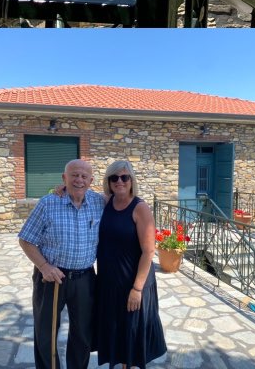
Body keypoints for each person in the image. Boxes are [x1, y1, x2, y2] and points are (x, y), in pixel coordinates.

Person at [18, 158, 106, 369]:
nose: (79, 180)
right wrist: (44, 266)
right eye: (74, 175)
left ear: (91, 180)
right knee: (46, 332)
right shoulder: (48, 203)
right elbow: (26, 239)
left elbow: (124, 196)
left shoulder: (99, 201)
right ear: (64, 178)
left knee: (83, 333)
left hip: (85, 277)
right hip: (51, 277)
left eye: (84, 176)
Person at [94, 159, 167, 369]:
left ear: (131, 180)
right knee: (118, 330)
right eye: (114, 177)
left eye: (124, 177)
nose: (119, 181)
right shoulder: (106, 202)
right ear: (108, 181)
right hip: (110, 282)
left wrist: (137, 289)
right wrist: (62, 188)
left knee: (132, 333)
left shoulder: (139, 207)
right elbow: (80, 191)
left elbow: (148, 251)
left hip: (133, 282)